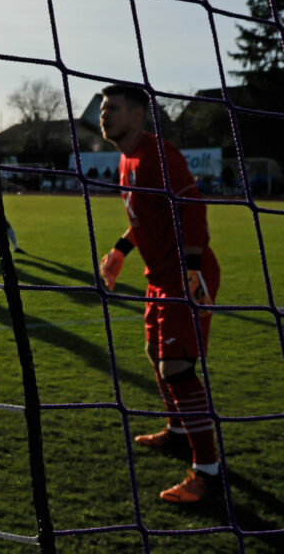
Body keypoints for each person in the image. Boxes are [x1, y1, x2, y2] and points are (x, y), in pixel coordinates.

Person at [97, 85, 222, 503]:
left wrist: (189, 269)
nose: (103, 114)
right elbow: (144, 217)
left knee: (178, 369)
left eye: (112, 108)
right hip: (159, 276)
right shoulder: (125, 159)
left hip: (184, 276)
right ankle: (178, 431)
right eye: (102, 108)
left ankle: (207, 474)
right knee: (156, 354)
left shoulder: (159, 153)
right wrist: (120, 250)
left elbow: (193, 207)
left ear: (136, 115)